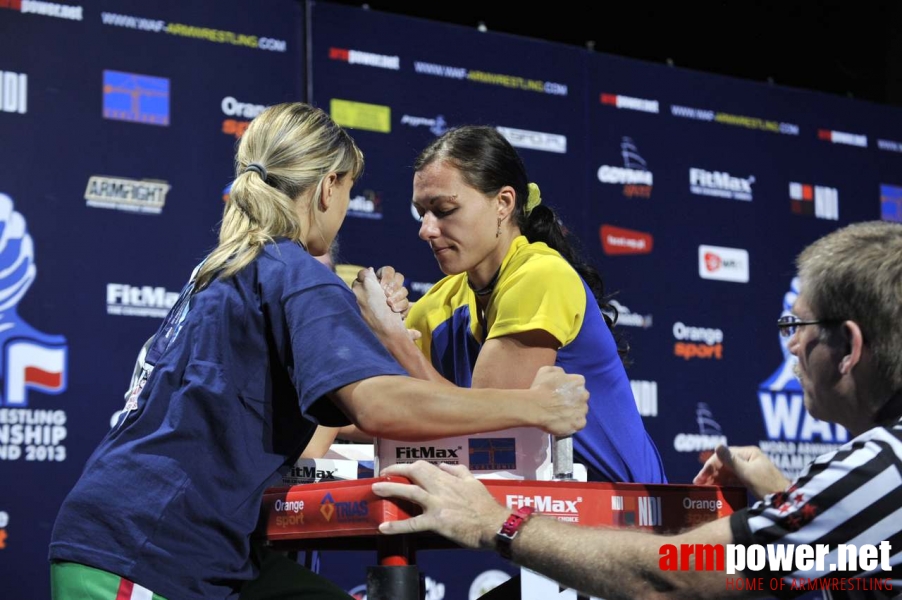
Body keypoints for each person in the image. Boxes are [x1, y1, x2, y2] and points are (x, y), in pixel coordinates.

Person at [48, 103, 590, 600]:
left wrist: (362, 337)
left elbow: (313, 428)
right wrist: (535, 407)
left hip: (178, 543)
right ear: (328, 187)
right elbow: (378, 406)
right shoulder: (296, 273)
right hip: (144, 552)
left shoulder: (227, 268)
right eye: (350, 192)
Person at [372, 220, 902, 599]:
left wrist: (495, 523)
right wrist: (785, 499)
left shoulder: (880, 474)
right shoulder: (879, 476)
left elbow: (671, 575)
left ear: (849, 348)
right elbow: (839, 567)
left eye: (797, 328)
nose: (789, 347)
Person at [358, 125, 666, 484]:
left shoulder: (541, 275)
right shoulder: (436, 305)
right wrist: (371, 329)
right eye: (421, 213)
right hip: (534, 515)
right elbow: (388, 412)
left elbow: (489, 429)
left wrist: (394, 338)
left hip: (625, 514)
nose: (426, 230)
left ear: (504, 203)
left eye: (443, 210)